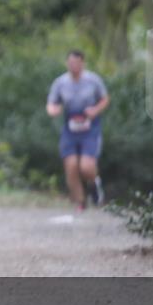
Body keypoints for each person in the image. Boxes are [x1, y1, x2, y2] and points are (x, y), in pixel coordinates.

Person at [46, 50, 109, 211]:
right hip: (70, 127)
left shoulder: (93, 80)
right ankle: (80, 201)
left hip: (90, 126)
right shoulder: (60, 82)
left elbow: (105, 99)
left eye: (77, 63)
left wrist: (95, 110)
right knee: (71, 166)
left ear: (82, 63)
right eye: (71, 63)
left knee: (86, 167)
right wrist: (53, 110)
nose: (73, 66)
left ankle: (94, 185)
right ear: (67, 63)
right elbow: (52, 103)